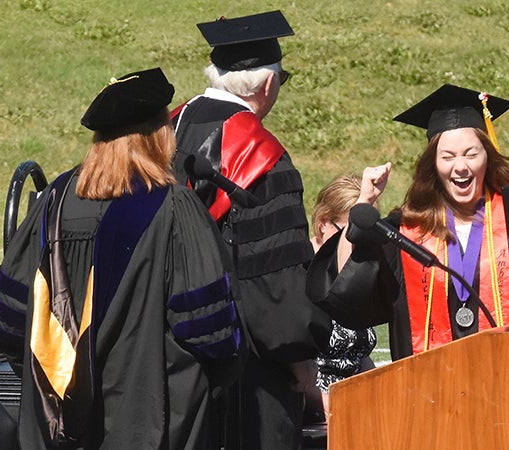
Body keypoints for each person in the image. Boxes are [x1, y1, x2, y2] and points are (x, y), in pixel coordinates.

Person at [0, 68, 242, 449]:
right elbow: (212, 334)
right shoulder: (174, 209)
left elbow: (8, 324)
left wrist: (58, 389)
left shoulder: (52, 204)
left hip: (53, 428)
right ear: (160, 136)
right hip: (148, 425)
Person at [307, 84, 509, 360]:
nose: (460, 167)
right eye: (448, 157)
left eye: (471, 154)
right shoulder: (405, 232)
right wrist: (364, 208)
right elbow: (348, 297)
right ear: (432, 164)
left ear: (488, 157)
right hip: (427, 402)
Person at [171, 10, 331, 450]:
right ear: (267, 85)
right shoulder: (263, 158)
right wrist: (298, 355)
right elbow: (273, 277)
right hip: (249, 374)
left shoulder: (165, 131)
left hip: (172, 361)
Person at [305, 174, 377, 423]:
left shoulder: (356, 274)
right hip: (316, 418)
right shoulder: (298, 272)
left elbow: (359, 354)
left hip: (357, 410)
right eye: (353, 234)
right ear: (324, 222)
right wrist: (335, 411)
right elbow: (297, 370)